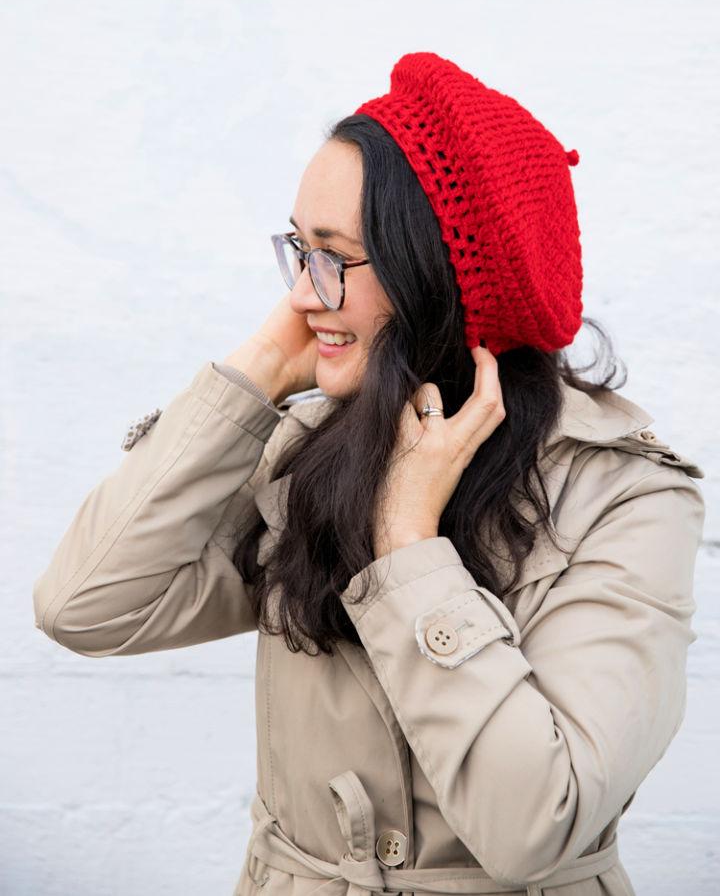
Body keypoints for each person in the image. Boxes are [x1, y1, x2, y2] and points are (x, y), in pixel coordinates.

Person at [33, 52, 706, 896]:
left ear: (437, 279)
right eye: (297, 250)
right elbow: (86, 605)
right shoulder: (309, 455)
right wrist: (261, 369)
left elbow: (538, 824)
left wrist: (407, 546)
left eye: (334, 257)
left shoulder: (625, 500)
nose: (304, 293)